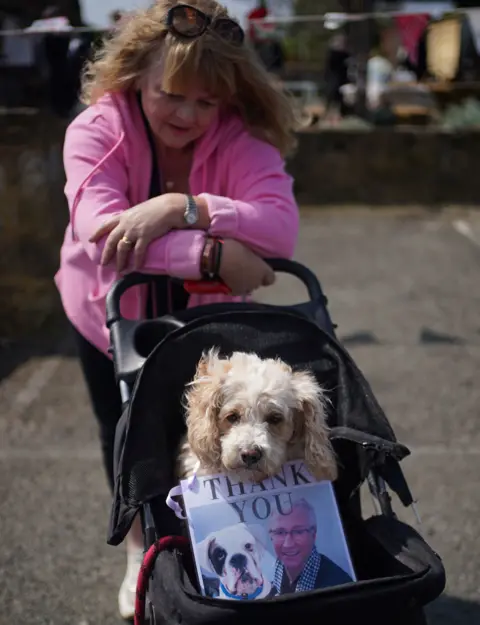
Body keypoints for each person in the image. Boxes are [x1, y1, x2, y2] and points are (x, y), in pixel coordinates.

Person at [54, 0, 300, 619]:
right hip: (104, 311)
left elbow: (281, 230)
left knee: (209, 431)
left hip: (204, 321)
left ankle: (218, 538)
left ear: (227, 97)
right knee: (126, 431)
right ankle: (139, 548)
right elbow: (102, 234)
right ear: (136, 75)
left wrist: (180, 208)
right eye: (171, 95)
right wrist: (216, 256)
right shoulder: (96, 129)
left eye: (206, 102)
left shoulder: (240, 137)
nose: (188, 115)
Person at [268, 498, 353, 594]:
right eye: (280, 532)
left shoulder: (339, 586)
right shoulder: (270, 576)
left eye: (298, 532)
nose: (288, 544)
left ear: (313, 533)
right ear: (271, 535)